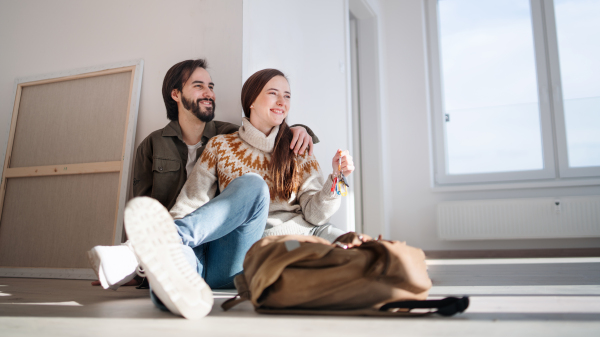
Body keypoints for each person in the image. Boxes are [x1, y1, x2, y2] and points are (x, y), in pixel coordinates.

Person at [123, 68, 354, 319]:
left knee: (355, 247)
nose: (282, 102)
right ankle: (174, 279)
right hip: (231, 254)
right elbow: (190, 204)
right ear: (251, 100)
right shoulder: (221, 145)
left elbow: (317, 215)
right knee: (183, 253)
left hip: (276, 254)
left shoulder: (298, 148)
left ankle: (150, 249)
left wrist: (337, 178)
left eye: (287, 96)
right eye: (273, 93)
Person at [88, 59, 317, 290]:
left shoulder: (228, 136)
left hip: (222, 247)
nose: (209, 93)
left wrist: (299, 129)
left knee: (252, 184)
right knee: (173, 270)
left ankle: (140, 251)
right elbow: (143, 207)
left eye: (211, 87)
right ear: (176, 94)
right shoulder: (151, 145)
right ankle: (153, 269)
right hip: (180, 246)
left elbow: (266, 132)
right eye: (199, 86)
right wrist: (139, 273)